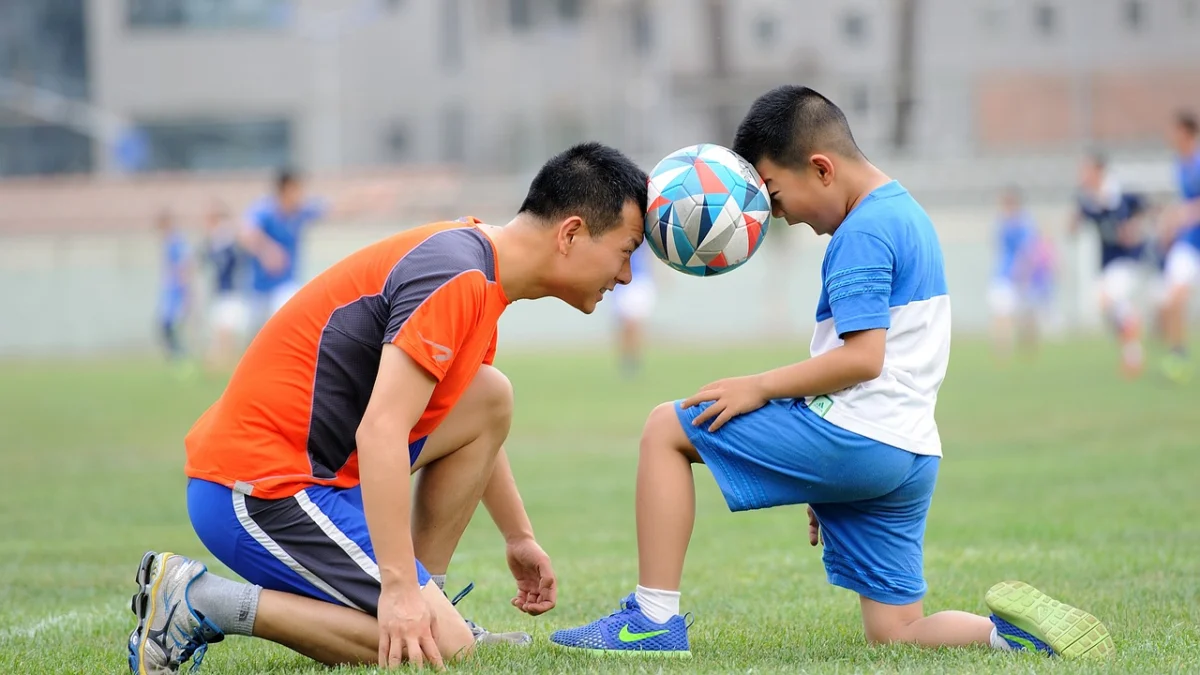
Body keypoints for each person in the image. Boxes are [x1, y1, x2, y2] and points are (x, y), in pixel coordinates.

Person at [550, 86, 1115, 659]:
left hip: (857, 439)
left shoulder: (861, 234)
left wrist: (760, 387)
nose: (775, 214)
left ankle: (651, 620)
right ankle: (1011, 639)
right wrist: (824, 478)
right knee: (895, 632)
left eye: (773, 192)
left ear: (820, 168)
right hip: (909, 452)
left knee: (664, 430)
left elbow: (862, 359)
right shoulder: (906, 214)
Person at [126, 142, 650, 674]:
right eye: (626, 250)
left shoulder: (480, 272)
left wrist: (519, 536)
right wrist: (399, 591)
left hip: (316, 480)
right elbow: (381, 431)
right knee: (442, 651)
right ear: (571, 233)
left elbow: (467, 416)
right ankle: (197, 602)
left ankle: (434, 606)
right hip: (258, 488)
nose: (627, 275)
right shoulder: (458, 275)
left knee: (490, 393)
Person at [240, 169, 391, 328]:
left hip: (285, 283)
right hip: (258, 285)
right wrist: (267, 250)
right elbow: (245, 233)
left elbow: (336, 208)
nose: (301, 194)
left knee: (288, 318)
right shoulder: (265, 210)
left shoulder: (301, 211)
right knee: (255, 332)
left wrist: (367, 197)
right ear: (285, 189)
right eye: (297, 189)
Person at [1069, 153, 1150, 377]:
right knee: (1108, 307)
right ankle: (1131, 349)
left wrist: (1135, 228)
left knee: (1108, 300)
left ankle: (1133, 353)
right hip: (1107, 263)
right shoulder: (1087, 200)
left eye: (1086, 171)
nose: (1083, 176)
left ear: (1099, 171)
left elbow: (1145, 212)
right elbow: (1074, 227)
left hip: (1128, 260)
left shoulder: (1120, 194)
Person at [1156, 111, 1200, 383]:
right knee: (1171, 300)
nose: (1169, 136)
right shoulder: (1179, 163)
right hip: (1189, 244)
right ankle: (1177, 355)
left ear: (1186, 132)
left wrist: (1181, 215)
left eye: (1174, 131)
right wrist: (1171, 226)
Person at [987, 187, 1043, 359]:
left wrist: (1024, 273)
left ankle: (1029, 349)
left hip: (1020, 277)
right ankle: (1003, 353)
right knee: (1001, 314)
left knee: (1024, 316)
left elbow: (1028, 251)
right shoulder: (1002, 222)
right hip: (1003, 275)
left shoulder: (1024, 223)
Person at [201, 200, 250, 372]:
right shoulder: (215, 243)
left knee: (227, 332)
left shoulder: (228, 242)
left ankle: (225, 366)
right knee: (222, 333)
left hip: (231, 293)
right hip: (222, 293)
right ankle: (220, 365)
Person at [610, 243, 657, 377]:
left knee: (634, 324)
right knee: (623, 325)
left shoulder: (645, 234)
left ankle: (635, 360)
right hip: (621, 281)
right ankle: (626, 361)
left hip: (639, 280)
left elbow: (652, 254)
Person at [155, 209, 195, 368]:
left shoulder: (176, 241)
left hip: (176, 290)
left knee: (171, 325)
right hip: (170, 290)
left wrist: (186, 290)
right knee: (165, 325)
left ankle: (180, 356)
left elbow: (185, 264)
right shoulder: (168, 241)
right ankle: (176, 355)